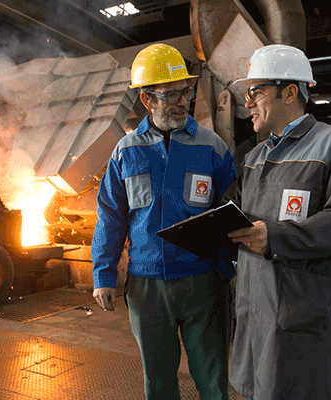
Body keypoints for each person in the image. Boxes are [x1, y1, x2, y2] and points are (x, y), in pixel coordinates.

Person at [91, 43, 237, 400]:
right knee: (158, 382)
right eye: (170, 94)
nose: (182, 101)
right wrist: (104, 275)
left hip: (204, 281)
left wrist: (228, 270)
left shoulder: (212, 147)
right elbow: (110, 216)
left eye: (185, 91)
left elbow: (233, 210)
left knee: (212, 379)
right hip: (147, 287)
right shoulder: (126, 151)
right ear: (146, 100)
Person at [226, 44, 331, 399]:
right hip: (253, 306)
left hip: (298, 312)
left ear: (290, 92)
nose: (247, 104)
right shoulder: (255, 157)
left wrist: (275, 237)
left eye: (255, 92)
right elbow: (244, 218)